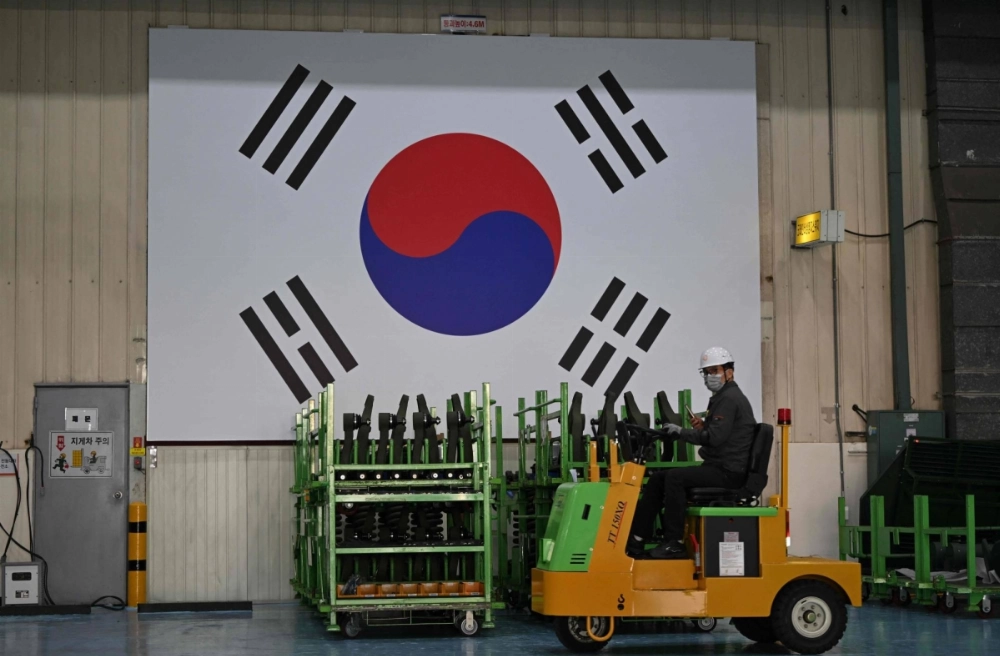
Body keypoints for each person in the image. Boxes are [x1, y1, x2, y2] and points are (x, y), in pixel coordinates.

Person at [627, 347, 757, 559]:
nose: (709, 376)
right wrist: (702, 427)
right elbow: (719, 434)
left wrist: (681, 432)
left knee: (675, 478)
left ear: (729, 372)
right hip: (719, 466)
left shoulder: (730, 399)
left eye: (714, 371)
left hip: (728, 471)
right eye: (706, 372)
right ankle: (638, 538)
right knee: (659, 478)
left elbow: (714, 438)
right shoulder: (722, 397)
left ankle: (674, 542)